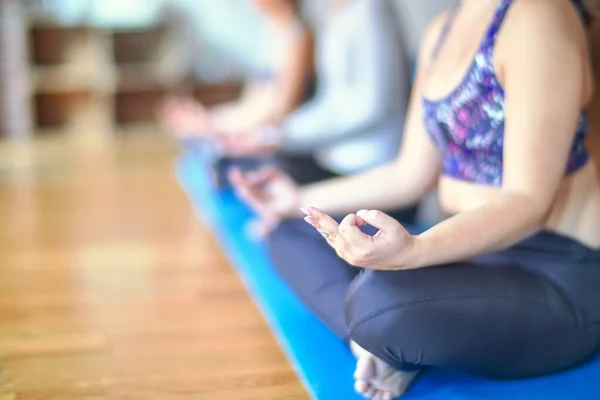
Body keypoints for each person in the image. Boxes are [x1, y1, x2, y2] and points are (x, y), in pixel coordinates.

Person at [230, 0, 600, 398]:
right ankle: (374, 348)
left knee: (376, 301)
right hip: (469, 252)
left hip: (555, 271)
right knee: (290, 232)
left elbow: (528, 200)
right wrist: (298, 199)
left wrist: (415, 250)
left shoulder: (536, 15)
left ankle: (383, 337)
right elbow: (409, 173)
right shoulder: (442, 30)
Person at [220, 0, 413, 188]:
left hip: (371, 168)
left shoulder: (369, 9)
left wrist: (282, 136)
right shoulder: (334, 11)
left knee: (255, 172)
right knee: (241, 170)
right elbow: (330, 102)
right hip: (334, 157)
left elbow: (370, 107)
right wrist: (279, 135)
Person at [159, 0, 316, 184]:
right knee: (195, 153)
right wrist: (211, 119)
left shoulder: (299, 37)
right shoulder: (274, 33)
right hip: (264, 130)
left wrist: (214, 124)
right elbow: (252, 101)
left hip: (290, 145)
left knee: (215, 165)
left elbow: (278, 111)